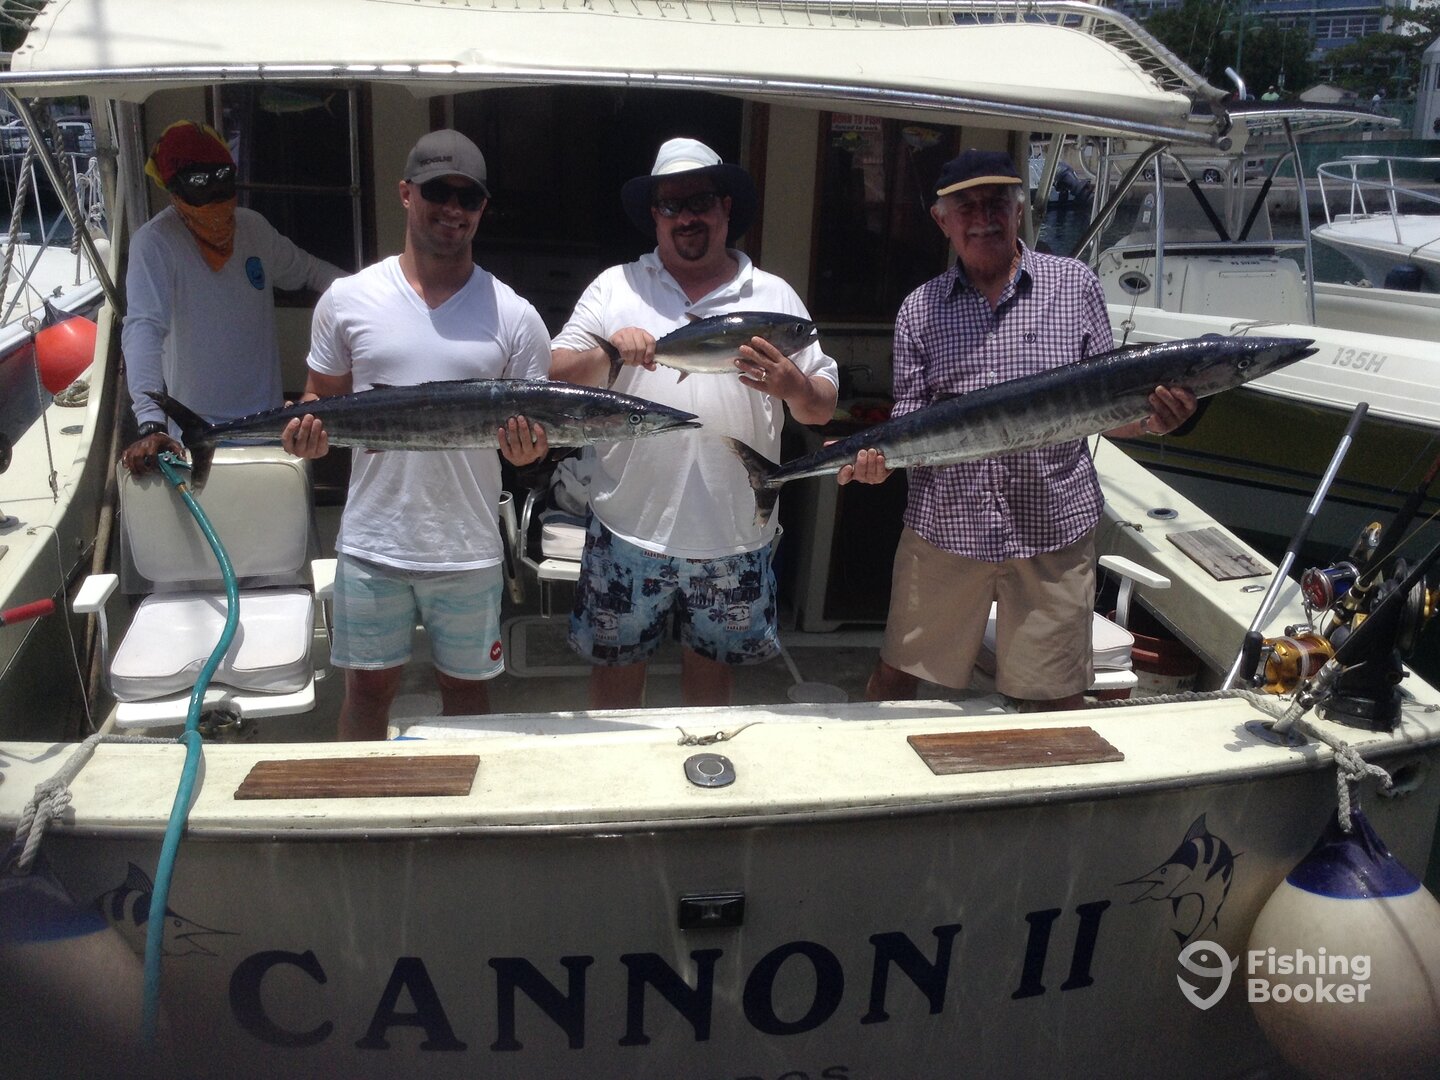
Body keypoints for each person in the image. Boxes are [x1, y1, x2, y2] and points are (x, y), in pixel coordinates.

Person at [840, 149, 1196, 711]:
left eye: (996, 203)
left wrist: (1156, 420)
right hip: (946, 529)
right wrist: (874, 463)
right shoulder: (919, 310)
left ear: (1020, 210)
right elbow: (909, 422)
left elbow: (1108, 410)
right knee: (895, 677)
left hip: (1052, 529)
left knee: (1057, 696)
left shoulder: (1074, 285)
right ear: (942, 220)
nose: (983, 218)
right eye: (966, 207)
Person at [282, 129, 552, 739]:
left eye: (469, 198)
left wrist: (530, 452)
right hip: (372, 541)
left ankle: (464, 801)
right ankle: (358, 797)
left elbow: (532, 440)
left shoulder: (515, 315)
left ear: (482, 209)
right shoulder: (347, 299)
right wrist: (306, 430)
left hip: (467, 545)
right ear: (406, 194)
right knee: (367, 691)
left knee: (466, 690)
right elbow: (320, 398)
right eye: (438, 192)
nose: (453, 209)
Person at [550, 137, 839, 709]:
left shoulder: (773, 296)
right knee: (614, 684)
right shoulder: (616, 286)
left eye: (700, 201)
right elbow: (555, 376)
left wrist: (794, 386)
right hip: (626, 528)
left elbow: (821, 408)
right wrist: (609, 352)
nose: (686, 217)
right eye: (670, 205)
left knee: (710, 689)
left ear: (725, 207)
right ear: (654, 216)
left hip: (732, 535)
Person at [120, 120, 344, 474]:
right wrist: (151, 422)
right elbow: (143, 329)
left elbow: (312, 272)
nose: (215, 192)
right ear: (173, 188)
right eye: (199, 182)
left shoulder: (253, 228)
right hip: (197, 436)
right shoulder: (155, 242)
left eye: (223, 176)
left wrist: (377, 295)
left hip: (270, 428)